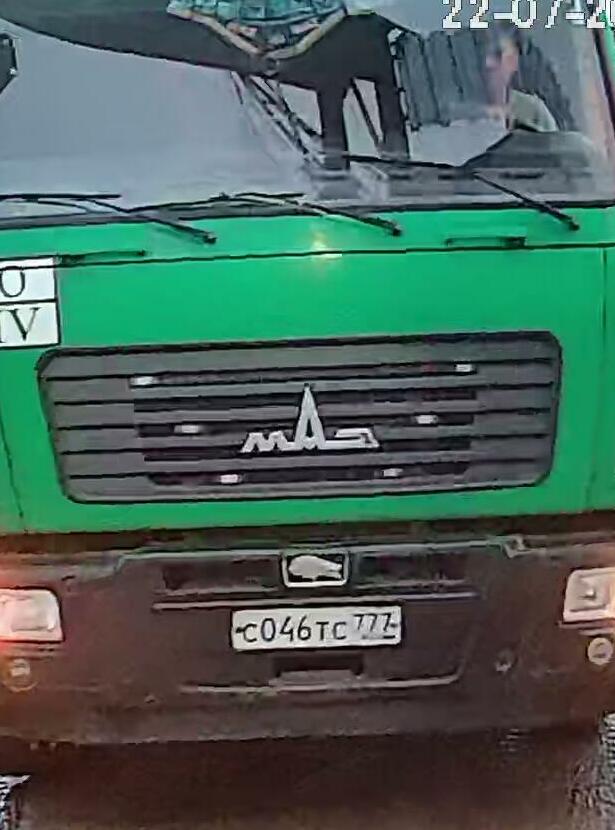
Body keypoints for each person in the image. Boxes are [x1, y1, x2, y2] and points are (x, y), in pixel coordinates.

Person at [483, 23, 558, 132]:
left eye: (497, 54)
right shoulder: (462, 112)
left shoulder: (533, 112)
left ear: (513, 60)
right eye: (481, 54)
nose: (488, 63)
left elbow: (554, 142)